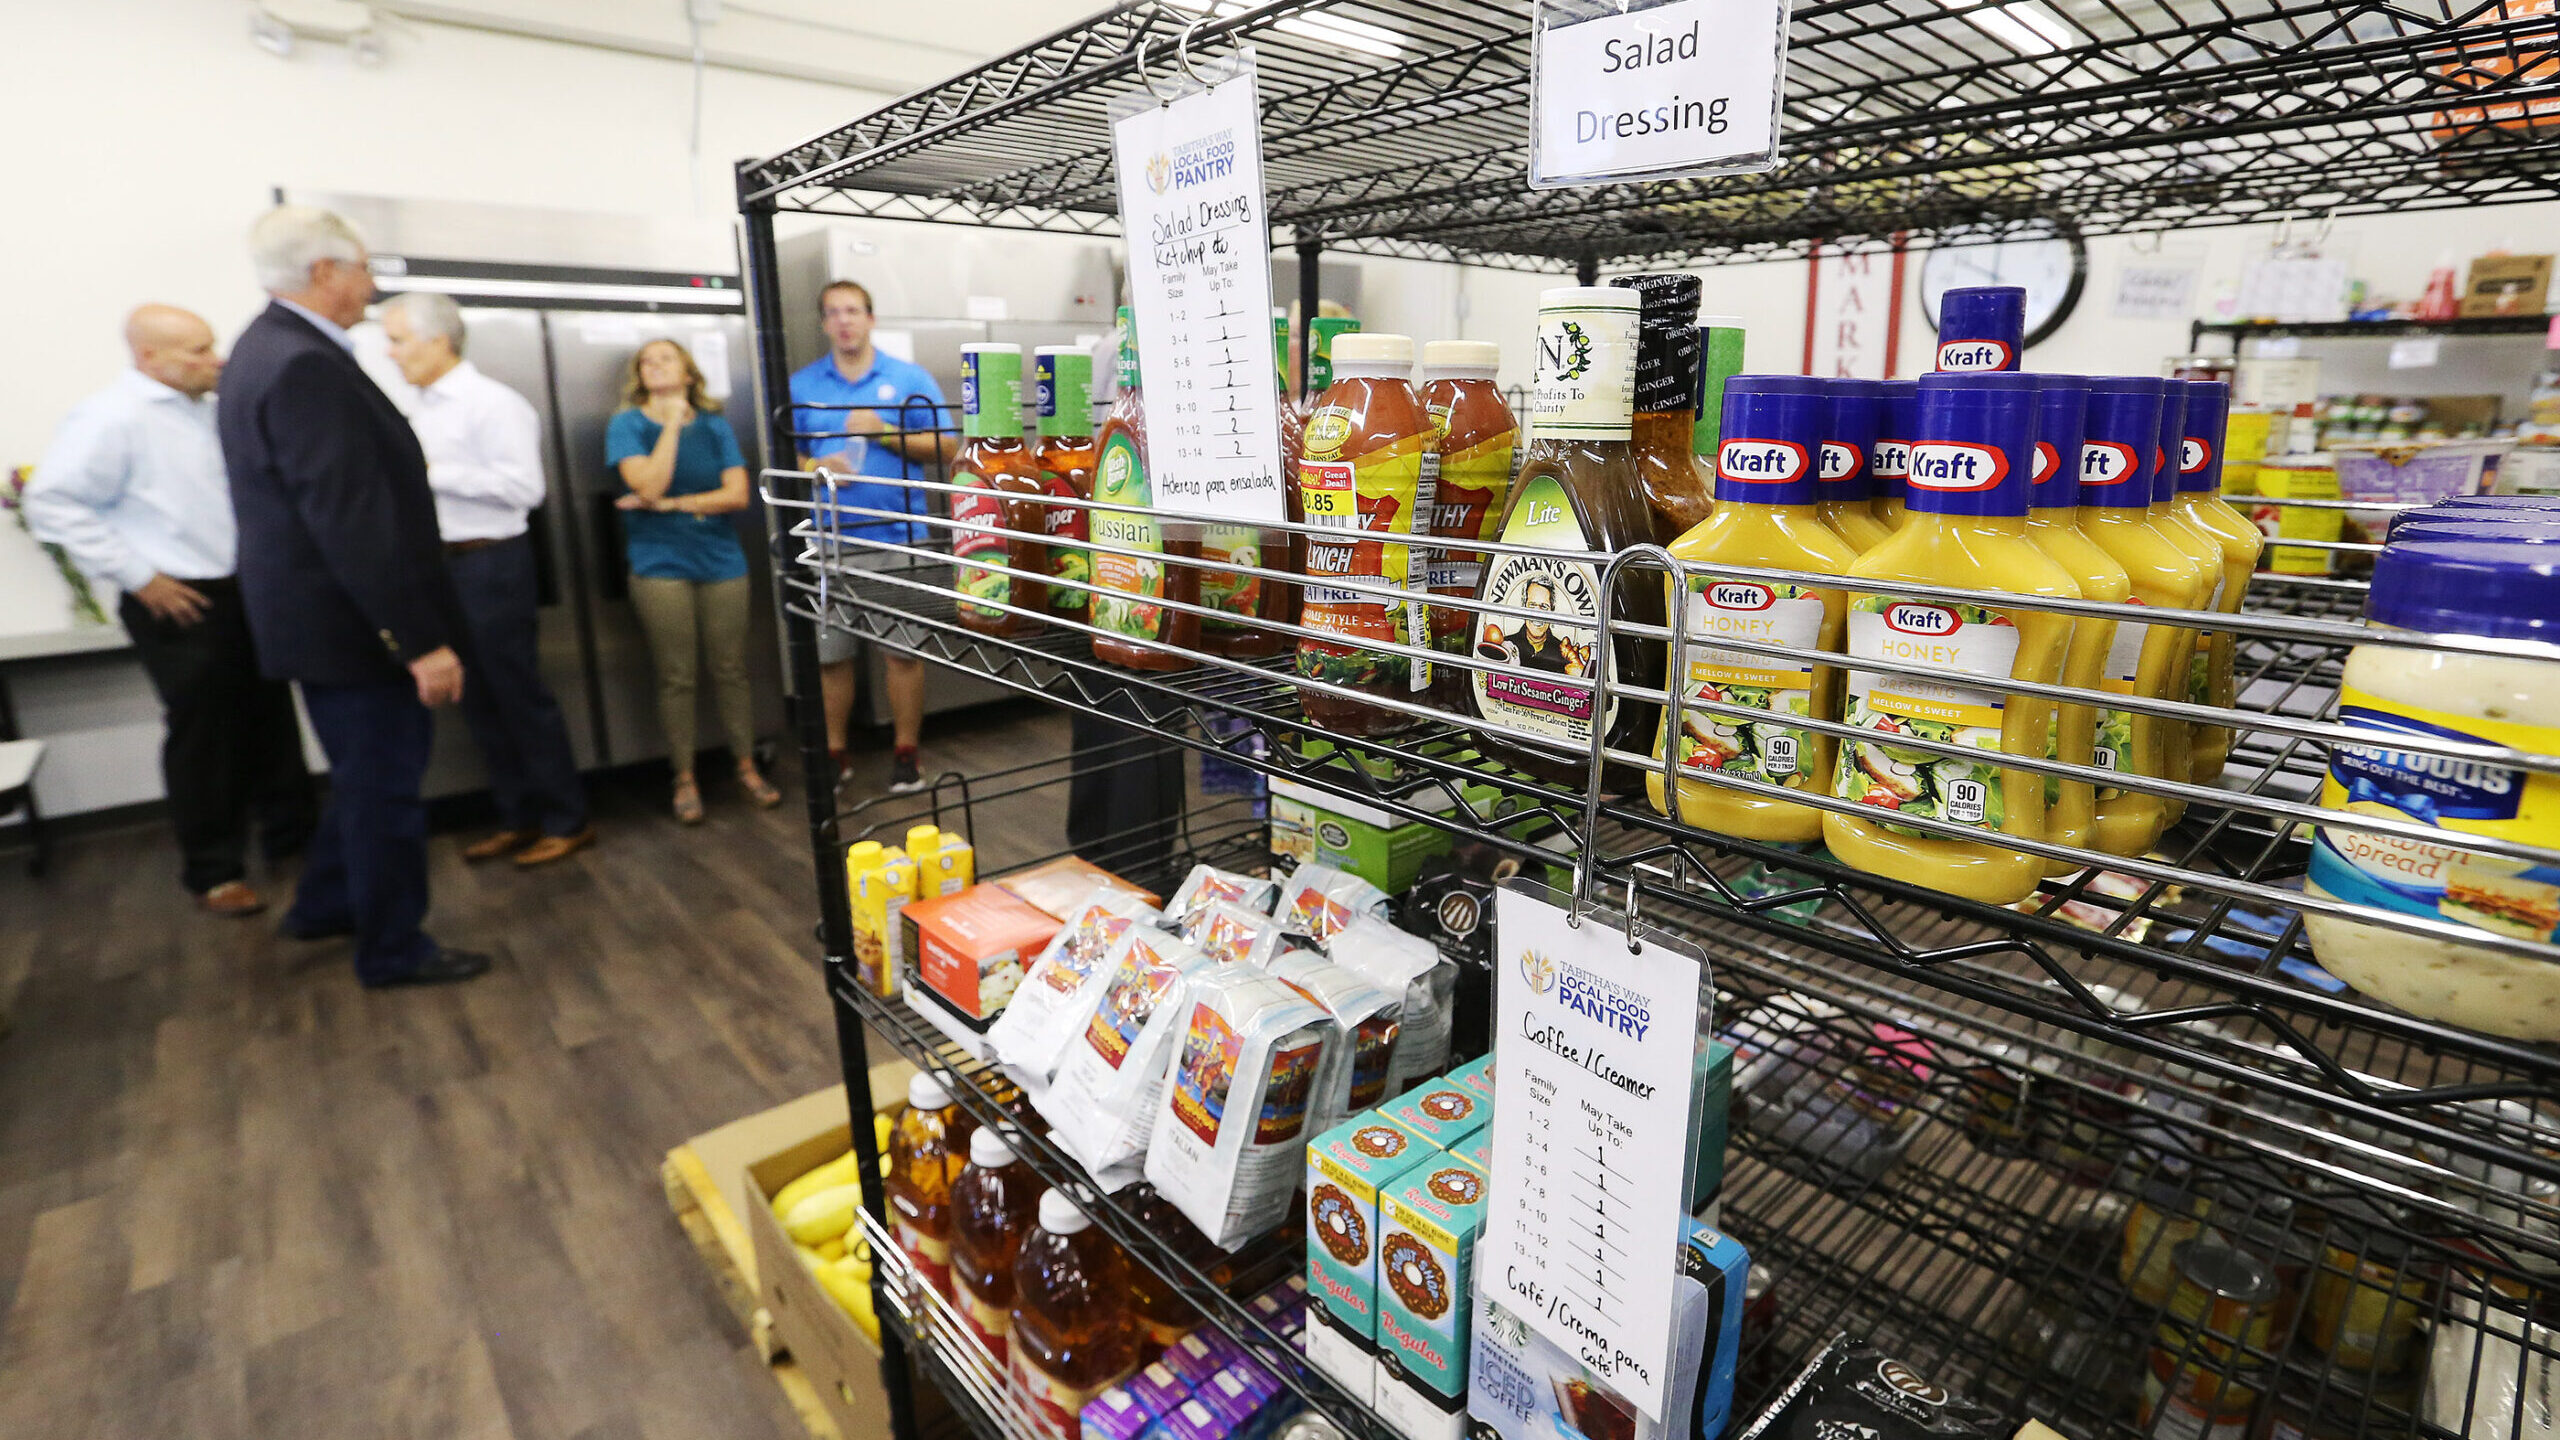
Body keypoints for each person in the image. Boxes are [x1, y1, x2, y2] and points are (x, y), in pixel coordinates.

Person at [216, 204, 489, 989]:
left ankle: (324, 905)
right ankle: (395, 949)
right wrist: (419, 640)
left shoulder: (263, 349)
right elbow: (351, 519)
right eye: (364, 266)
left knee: (360, 777)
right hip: (354, 630)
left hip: (317, 624)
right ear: (326, 273)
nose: (371, 281)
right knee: (385, 793)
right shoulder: (303, 363)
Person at [21, 305, 316, 915]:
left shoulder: (205, 412)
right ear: (149, 356)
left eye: (212, 346)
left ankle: (296, 839)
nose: (217, 360)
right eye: (198, 350)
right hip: (179, 597)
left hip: (242, 589)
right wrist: (138, 576)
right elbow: (52, 502)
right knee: (205, 736)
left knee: (270, 716)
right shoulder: (112, 416)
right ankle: (214, 871)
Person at [379, 292, 594, 867]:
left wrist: (432, 473)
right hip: (439, 567)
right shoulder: (415, 406)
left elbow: (525, 490)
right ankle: (519, 817)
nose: (390, 351)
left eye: (398, 339)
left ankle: (566, 820)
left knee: (517, 695)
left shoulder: (493, 403)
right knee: (475, 699)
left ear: (438, 341)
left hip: (490, 565)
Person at [788, 280, 955, 795]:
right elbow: (789, 455)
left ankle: (906, 755)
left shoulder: (908, 379)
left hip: (899, 538)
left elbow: (948, 448)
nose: (844, 321)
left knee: (903, 651)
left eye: (853, 311)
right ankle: (835, 754)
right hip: (829, 539)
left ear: (870, 318)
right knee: (830, 654)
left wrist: (883, 430)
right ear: (823, 323)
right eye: (833, 312)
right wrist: (817, 464)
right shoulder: (802, 385)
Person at [607, 337, 783, 824]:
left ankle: (746, 766)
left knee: (731, 667)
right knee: (677, 674)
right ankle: (684, 777)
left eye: (667, 358)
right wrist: (668, 428)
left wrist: (669, 506)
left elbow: (737, 495)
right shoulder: (627, 425)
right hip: (659, 564)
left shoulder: (715, 425)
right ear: (639, 376)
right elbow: (647, 483)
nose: (655, 365)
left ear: (688, 372)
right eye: (646, 360)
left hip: (721, 559)